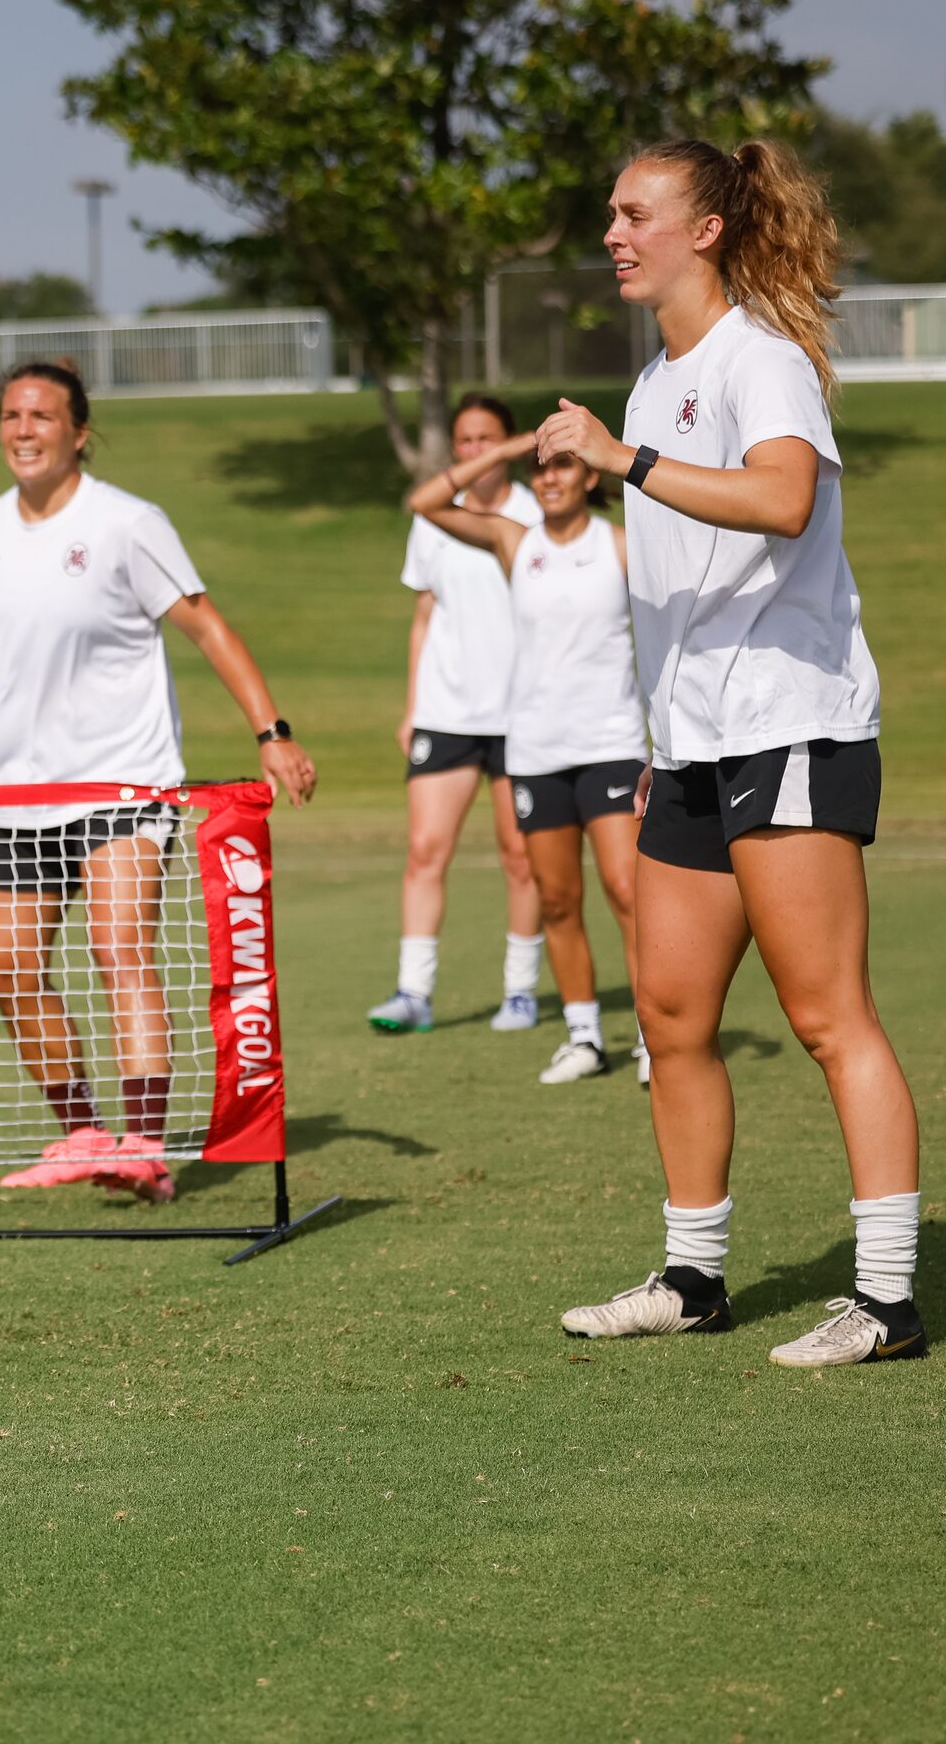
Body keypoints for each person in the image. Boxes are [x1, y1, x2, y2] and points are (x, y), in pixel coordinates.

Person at [546, 140, 921, 1368]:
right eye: (609, 212)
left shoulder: (761, 361)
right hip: (693, 747)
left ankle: (883, 1303)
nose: (612, 230)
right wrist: (661, 739)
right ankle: (690, 1278)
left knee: (824, 1018)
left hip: (790, 725)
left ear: (702, 229)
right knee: (666, 1014)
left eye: (633, 211)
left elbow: (780, 501)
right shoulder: (657, 376)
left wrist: (622, 463)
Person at [0, 360, 317, 1204]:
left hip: (124, 787)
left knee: (118, 950)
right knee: (9, 972)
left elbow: (207, 628)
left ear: (79, 432)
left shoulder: (128, 523)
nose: (23, 430)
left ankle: (142, 1145)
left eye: (42, 416)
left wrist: (271, 733)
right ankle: (83, 1134)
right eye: (10, 416)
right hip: (18, 794)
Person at [404, 437, 648, 1086]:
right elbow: (424, 501)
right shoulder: (515, 542)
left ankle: (656, 1035)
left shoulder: (620, 544)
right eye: (537, 469)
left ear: (590, 474)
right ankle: (585, 1037)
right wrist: (514, 446)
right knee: (559, 901)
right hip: (536, 753)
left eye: (562, 464)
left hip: (612, 747)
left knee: (628, 892)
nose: (547, 479)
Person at [368, 395, 545, 1036]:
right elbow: (424, 614)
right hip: (446, 712)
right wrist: (413, 708)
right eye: (464, 441)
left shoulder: (536, 511)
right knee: (424, 851)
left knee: (521, 858)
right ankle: (413, 992)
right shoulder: (433, 519)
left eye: (486, 439)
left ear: (509, 444)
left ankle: (520, 992)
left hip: (520, 717)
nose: (473, 450)